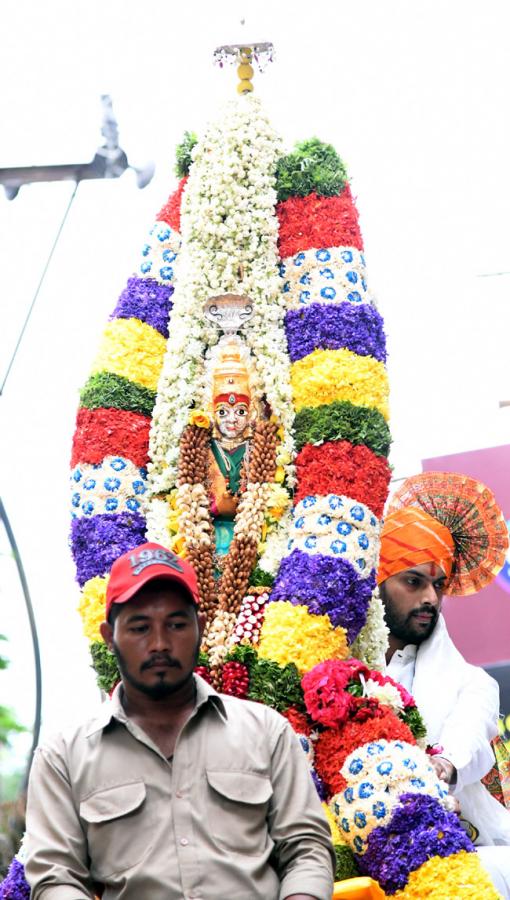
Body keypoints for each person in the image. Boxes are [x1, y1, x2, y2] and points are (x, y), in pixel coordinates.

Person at [24, 542, 335, 900]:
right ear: (109, 637)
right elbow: (56, 878)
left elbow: (306, 850)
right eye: (140, 628)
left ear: (200, 628)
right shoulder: (64, 755)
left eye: (176, 624)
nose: (160, 643)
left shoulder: (266, 731)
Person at [377, 472, 510, 897]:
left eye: (438, 584)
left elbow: (467, 740)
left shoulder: (473, 682)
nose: (431, 598)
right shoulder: (336, 674)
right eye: (413, 581)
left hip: (462, 848)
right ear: (379, 583)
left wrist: (442, 766)